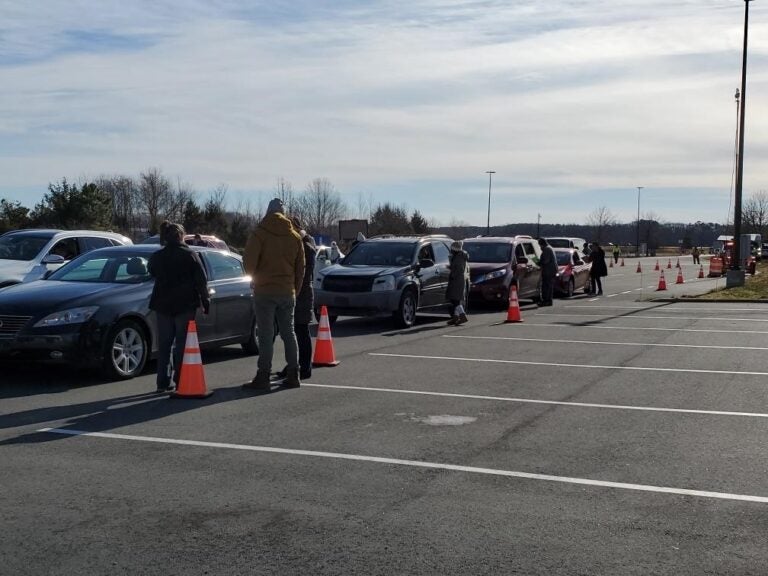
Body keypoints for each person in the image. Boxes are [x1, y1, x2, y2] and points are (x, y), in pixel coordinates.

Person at [242, 198, 305, 391]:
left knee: (266, 334)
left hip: (265, 292)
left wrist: (253, 278)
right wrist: (295, 288)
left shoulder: (259, 234)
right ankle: (294, 373)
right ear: (284, 213)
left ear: (268, 212)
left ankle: (263, 376)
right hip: (288, 291)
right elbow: (300, 268)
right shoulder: (295, 237)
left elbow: (248, 263)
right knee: (289, 333)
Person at [148, 221, 210, 393]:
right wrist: (205, 301)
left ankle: (162, 381)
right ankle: (180, 378)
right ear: (181, 236)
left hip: (162, 303)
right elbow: (201, 280)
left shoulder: (157, 256)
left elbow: (151, 271)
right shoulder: (190, 255)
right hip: (185, 303)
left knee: (164, 344)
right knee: (182, 343)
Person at [274, 217, 316, 381]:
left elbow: (302, 274)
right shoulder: (301, 244)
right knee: (293, 332)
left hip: (301, 294)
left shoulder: (304, 246)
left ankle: (304, 367)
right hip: (296, 292)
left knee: (301, 331)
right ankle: (294, 365)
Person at [446, 240, 469, 325]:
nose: (451, 251)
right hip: (458, 279)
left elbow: (459, 269)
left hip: (457, 280)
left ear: (455, 250)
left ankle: (462, 316)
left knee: (455, 299)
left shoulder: (459, 257)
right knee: (456, 299)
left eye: (452, 249)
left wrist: (452, 273)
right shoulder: (459, 256)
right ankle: (455, 317)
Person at [537, 237, 558, 306]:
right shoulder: (549, 248)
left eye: (539, 244)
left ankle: (547, 300)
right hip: (551, 270)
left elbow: (546, 260)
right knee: (549, 286)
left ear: (541, 244)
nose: (539, 246)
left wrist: (539, 262)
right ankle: (548, 300)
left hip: (549, 271)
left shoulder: (547, 249)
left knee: (546, 286)